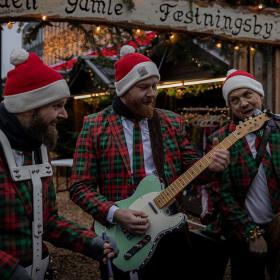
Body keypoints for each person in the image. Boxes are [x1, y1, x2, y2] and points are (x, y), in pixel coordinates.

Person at [70, 45, 230, 280]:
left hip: (169, 230)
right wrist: (115, 213)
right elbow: (79, 186)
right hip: (121, 235)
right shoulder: (94, 125)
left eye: (155, 86)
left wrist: (213, 166)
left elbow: (194, 168)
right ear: (124, 89)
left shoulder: (171, 122)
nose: (152, 93)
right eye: (144, 87)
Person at [0, 48, 117, 280]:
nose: (64, 114)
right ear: (27, 108)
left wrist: (91, 242)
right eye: (56, 106)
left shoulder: (39, 149)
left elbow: (47, 221)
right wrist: (8, 270)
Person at [204, 69, 280, 280]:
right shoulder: (221, 140)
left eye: (248, 94)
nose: (243, 103)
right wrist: (251, 233)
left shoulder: (278, 128)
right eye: (235, 100)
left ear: (260, 95)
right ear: (230, 106)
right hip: (243, 232)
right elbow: (221, 193)